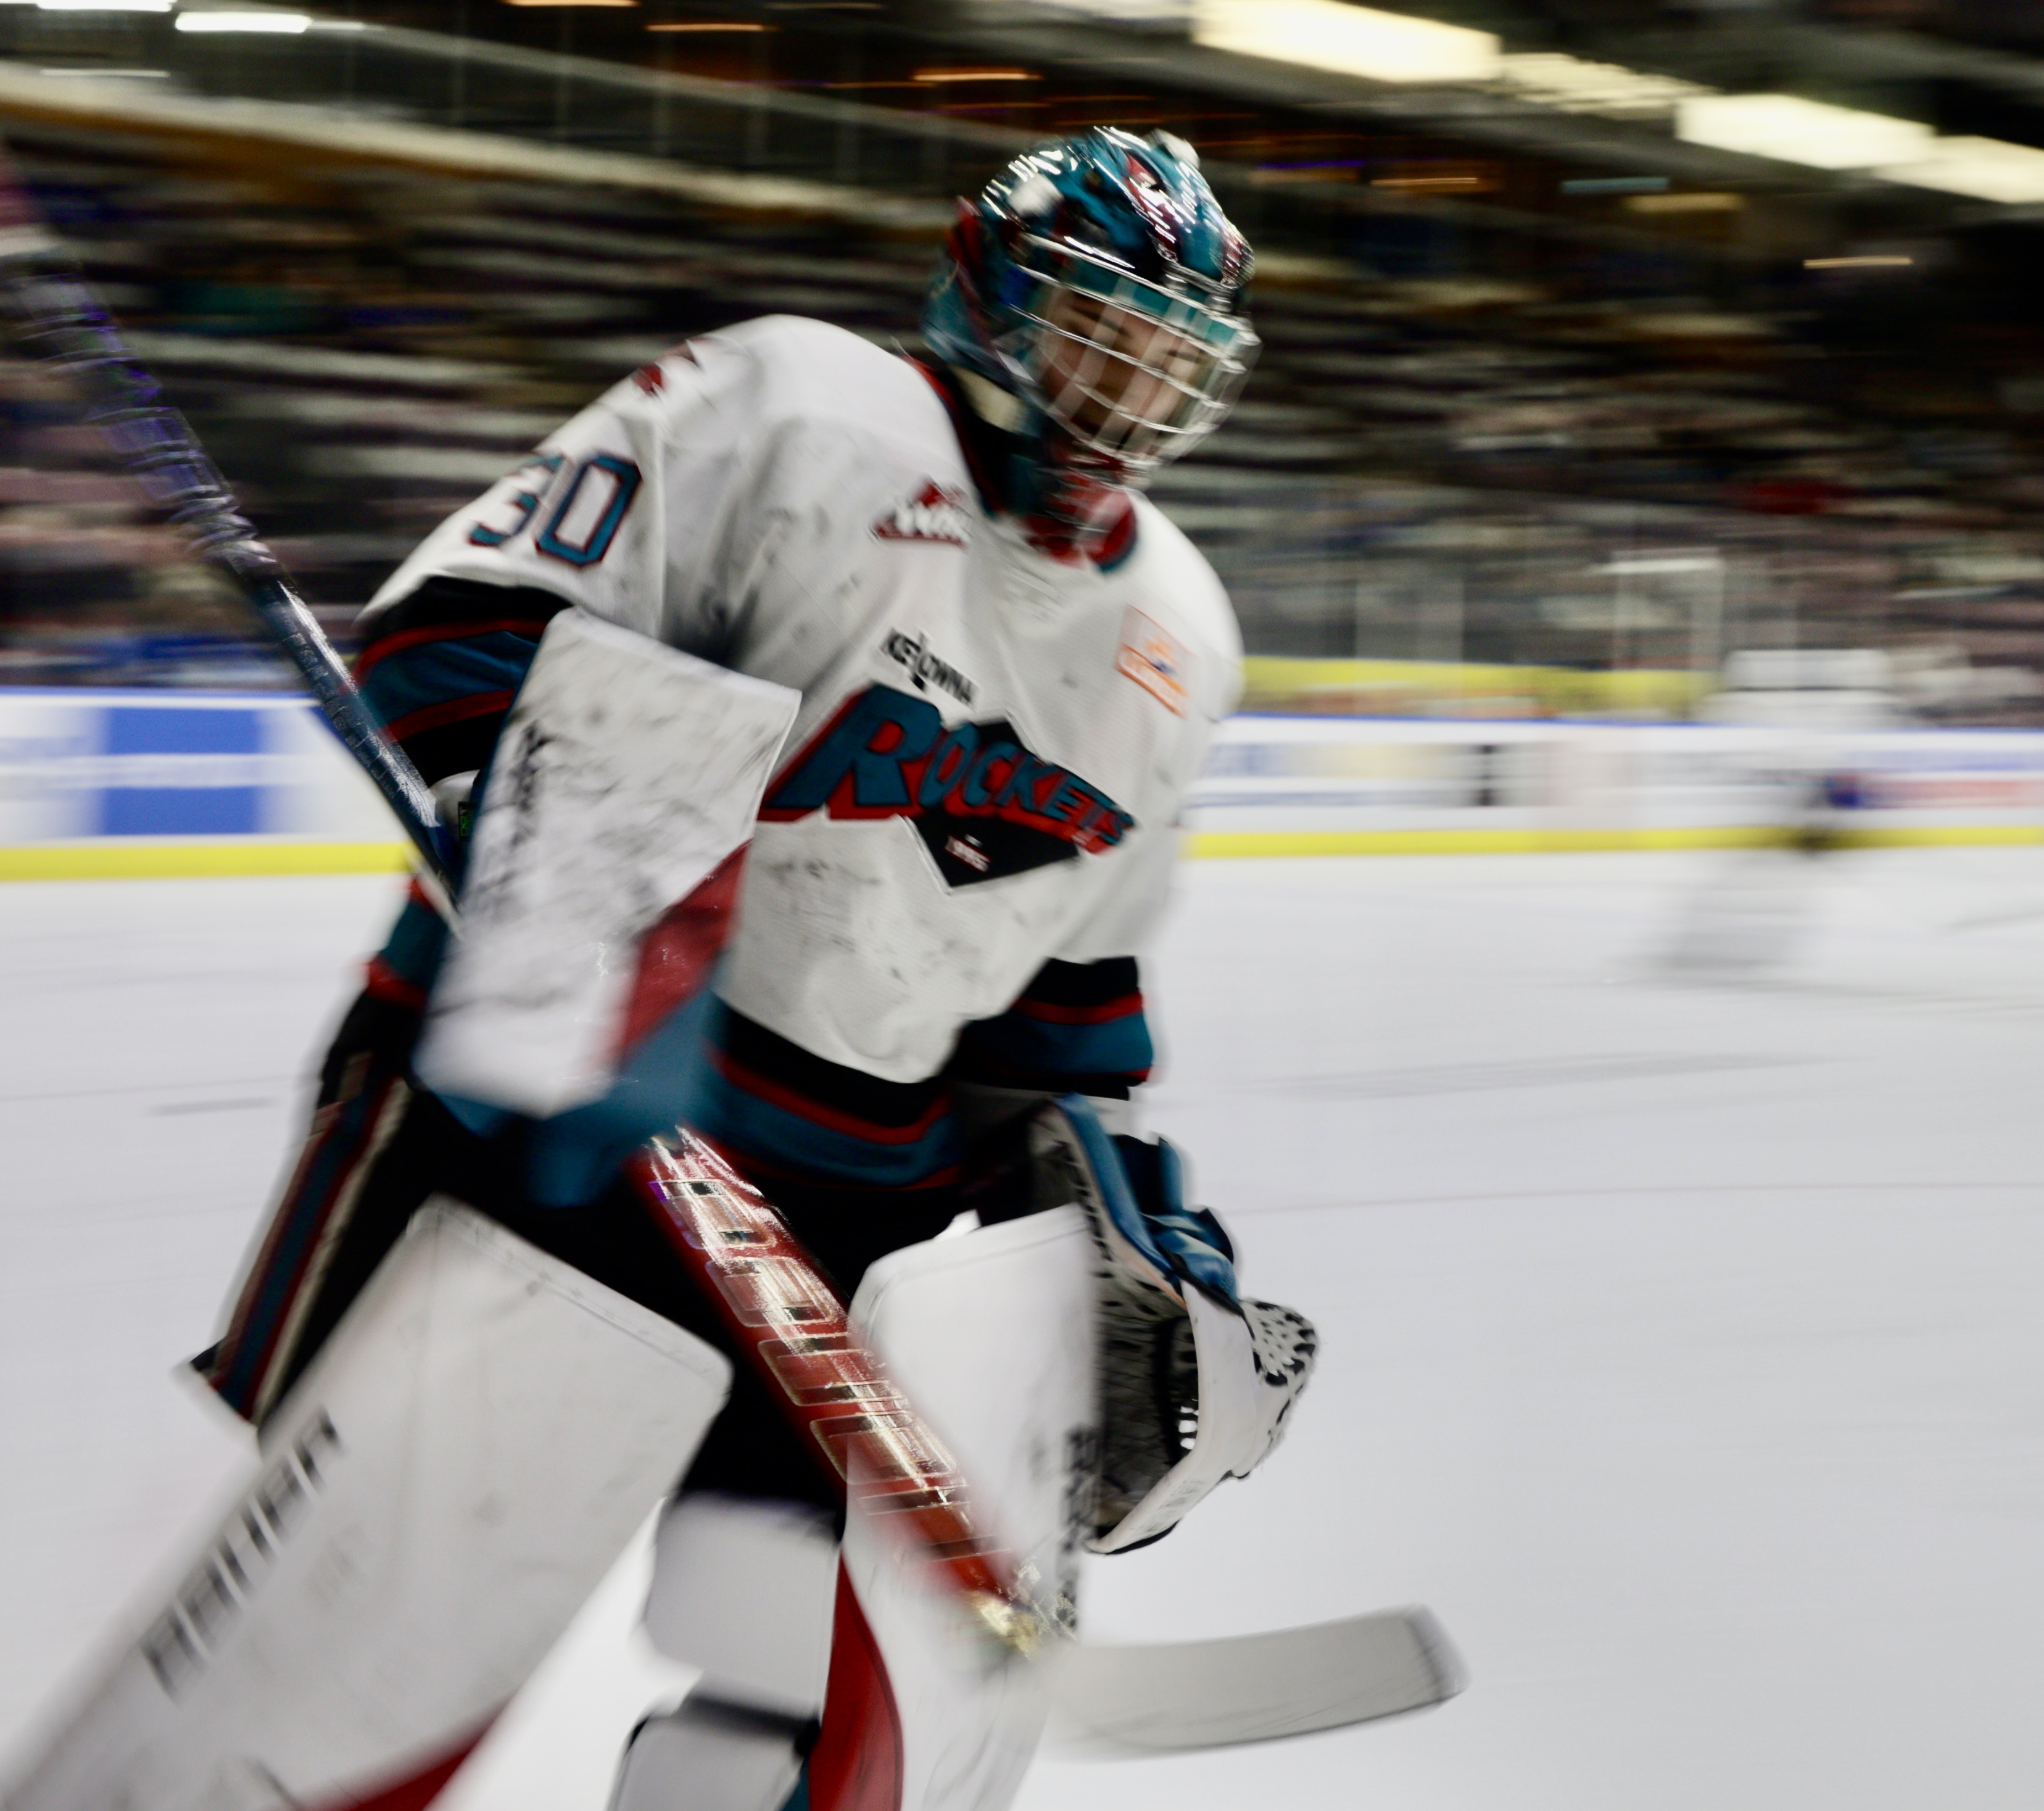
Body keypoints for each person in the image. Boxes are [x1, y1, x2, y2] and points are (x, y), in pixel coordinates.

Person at [192, 130, 1289, 1809]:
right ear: (990, 293)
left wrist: (1135, 1239)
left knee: (778, 1664)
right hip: (549, 1125)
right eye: (1094, 330)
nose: (1124, 391)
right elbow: (454, 635)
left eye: (1164, 358)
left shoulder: (1179, 638)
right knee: (370, 1634)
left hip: (843, 1224)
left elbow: (1069, 1012)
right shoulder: (802, 410)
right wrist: (573, 893)